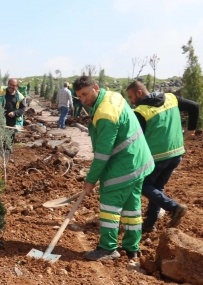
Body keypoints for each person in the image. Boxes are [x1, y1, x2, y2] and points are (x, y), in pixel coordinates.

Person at [74, 75, 154, 261]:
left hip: (124, 165)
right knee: (132, 208)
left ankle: (108, 248)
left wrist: (91, 180)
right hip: (139, 160)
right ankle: (131, 247)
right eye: (79, 96)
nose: (83, 100)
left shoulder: (105, 114)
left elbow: (103, 154)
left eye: (85, 94)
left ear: (95, 87)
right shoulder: (113, 96)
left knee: (110, 205)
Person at [126, 80, 199, 232]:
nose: (131, 102)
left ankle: (174, 207)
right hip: (176, 153)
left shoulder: (141, 111)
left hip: (156, 158)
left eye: (131, 97)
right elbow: (194, 106)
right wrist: (191, 129)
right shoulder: (171, 98)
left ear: (139, 92)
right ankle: (150, 224)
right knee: (157, 188)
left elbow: (136, 139)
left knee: (141, 185)